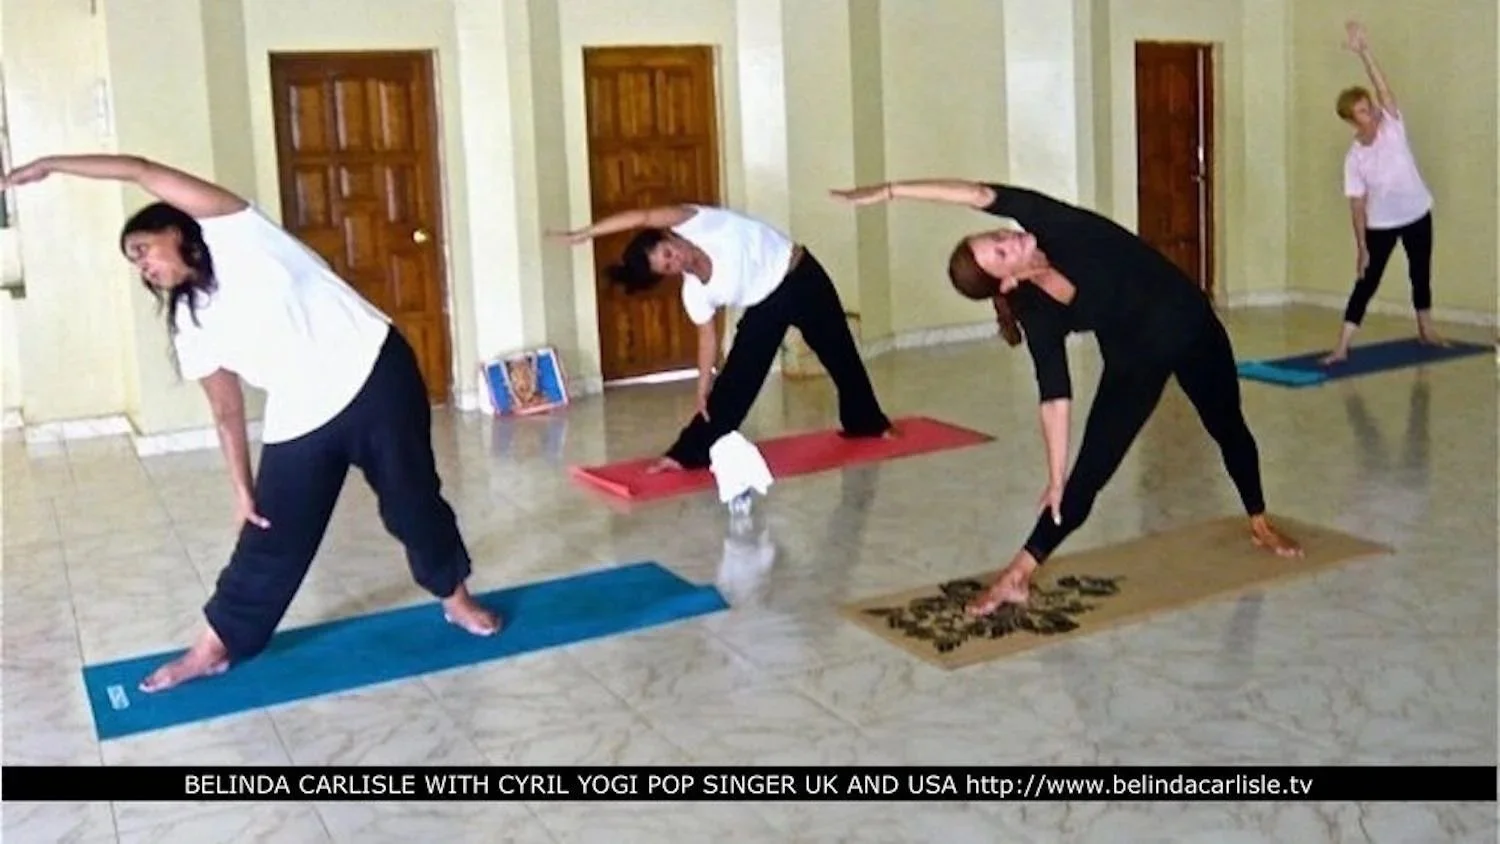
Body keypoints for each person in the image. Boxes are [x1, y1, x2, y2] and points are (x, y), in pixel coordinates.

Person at [0, 154, 499, 692]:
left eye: (143, 250)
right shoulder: (190, 321)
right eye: (135, 265)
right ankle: (213, 647)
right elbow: (226, 409)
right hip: (302, 409)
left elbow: (141, 170)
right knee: (268, 531)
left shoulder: (239, 234)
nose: (144, 267)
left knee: (412, 502)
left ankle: (456, 598)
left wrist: (52, 165)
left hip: (373, 370)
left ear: (176, 229)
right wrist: (242, 489)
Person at [829, 178, 1303, 616]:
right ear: (1008, 282)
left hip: (1190, 328)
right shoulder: (1036, 311)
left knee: (1227, 426)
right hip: (1133, 358)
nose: (1008, 238)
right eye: (999, 251)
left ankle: (1259, 519)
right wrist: (1056, 476)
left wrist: (891, 192)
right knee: (1082, 481)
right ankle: (1018, 574)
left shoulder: (1055, 225)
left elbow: (977, 193)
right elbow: (1054, 394)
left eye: (997, 236)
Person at [550, 204, 894, 471]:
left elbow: (643, 215)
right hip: (765, 305)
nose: (676, 262)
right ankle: (688, 453)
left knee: (840, 353)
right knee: (735, 384)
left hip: (802, 275)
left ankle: (867, 423)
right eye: (667, 267)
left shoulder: (698, 221)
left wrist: (586, 233)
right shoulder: (694, 293)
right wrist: (702, 387)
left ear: (670, 237)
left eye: (669, 254)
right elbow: (707, 340)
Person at [1323, 20, 1446, 365]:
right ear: (1352, 120)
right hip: (1382, 223)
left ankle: (1426, 329)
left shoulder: (1392, 125)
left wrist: (1364, 51)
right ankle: (1342, 346)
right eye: (1362, 109)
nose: (1371, 110)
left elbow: (1384, 88)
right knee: (1367, 282)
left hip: (1418, 212)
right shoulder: (1355, 158)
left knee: (1420, 271)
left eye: (1369, 105)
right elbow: (1357, 206)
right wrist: (1361, 247)